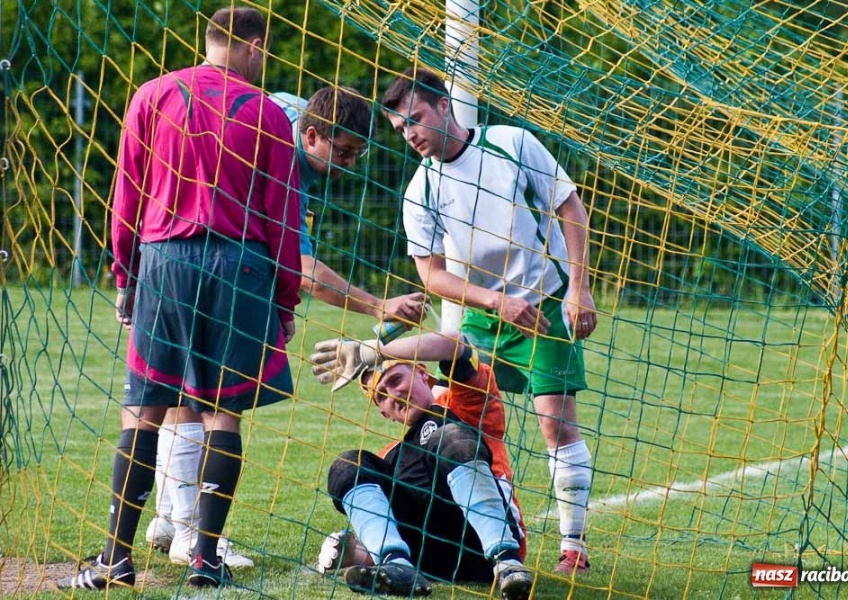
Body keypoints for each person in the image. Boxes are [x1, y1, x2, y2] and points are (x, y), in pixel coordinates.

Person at [57, 7, 303, 590]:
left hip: (164, 260)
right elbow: (282, 218)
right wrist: (285, 300)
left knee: (144, 409)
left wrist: (127, 277)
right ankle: (205, 559)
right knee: (223, 412)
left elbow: (127, 195)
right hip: (240, 265)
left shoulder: (153, 94)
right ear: (254, 45)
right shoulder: (268, 113)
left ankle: (116, 560)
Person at [143, 87, 427, 568]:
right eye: (342, 152)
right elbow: (304, 266)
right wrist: (379, 305)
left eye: (357, 154)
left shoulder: (284, 108)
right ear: (311, 134)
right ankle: (192, 536)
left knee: (178, 394)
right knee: (211, 401)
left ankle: (170, 518)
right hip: (213, 265)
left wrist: (279, 304)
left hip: (164, 252)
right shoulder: (287, 155)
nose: (349, 164)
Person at [381, 67, 597, 574]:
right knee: (457, 430)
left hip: (544, 307)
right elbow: (432, 275)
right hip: (481, 320)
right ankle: (481, 539)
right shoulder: (420, 190)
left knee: (554, 424)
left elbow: (571, 210)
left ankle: (573, 547)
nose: (410, 135)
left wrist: (581, 289)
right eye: (399, 129)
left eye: (414, 120)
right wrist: (493, 301)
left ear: (443, 106)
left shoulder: (512, 144)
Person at [309, 331, 533, 599]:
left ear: (424, 374)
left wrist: (374, 352)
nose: (395, 394)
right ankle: (395, 566)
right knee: (348, 465)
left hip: (482, 551)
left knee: (449, 437)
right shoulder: (390, 456)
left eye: (396, 380)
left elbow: (454, 344)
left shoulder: (468, 406)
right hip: (428, 561)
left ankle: (507, 563)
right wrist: (356, 553)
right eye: (382, 396)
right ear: (385, 414)